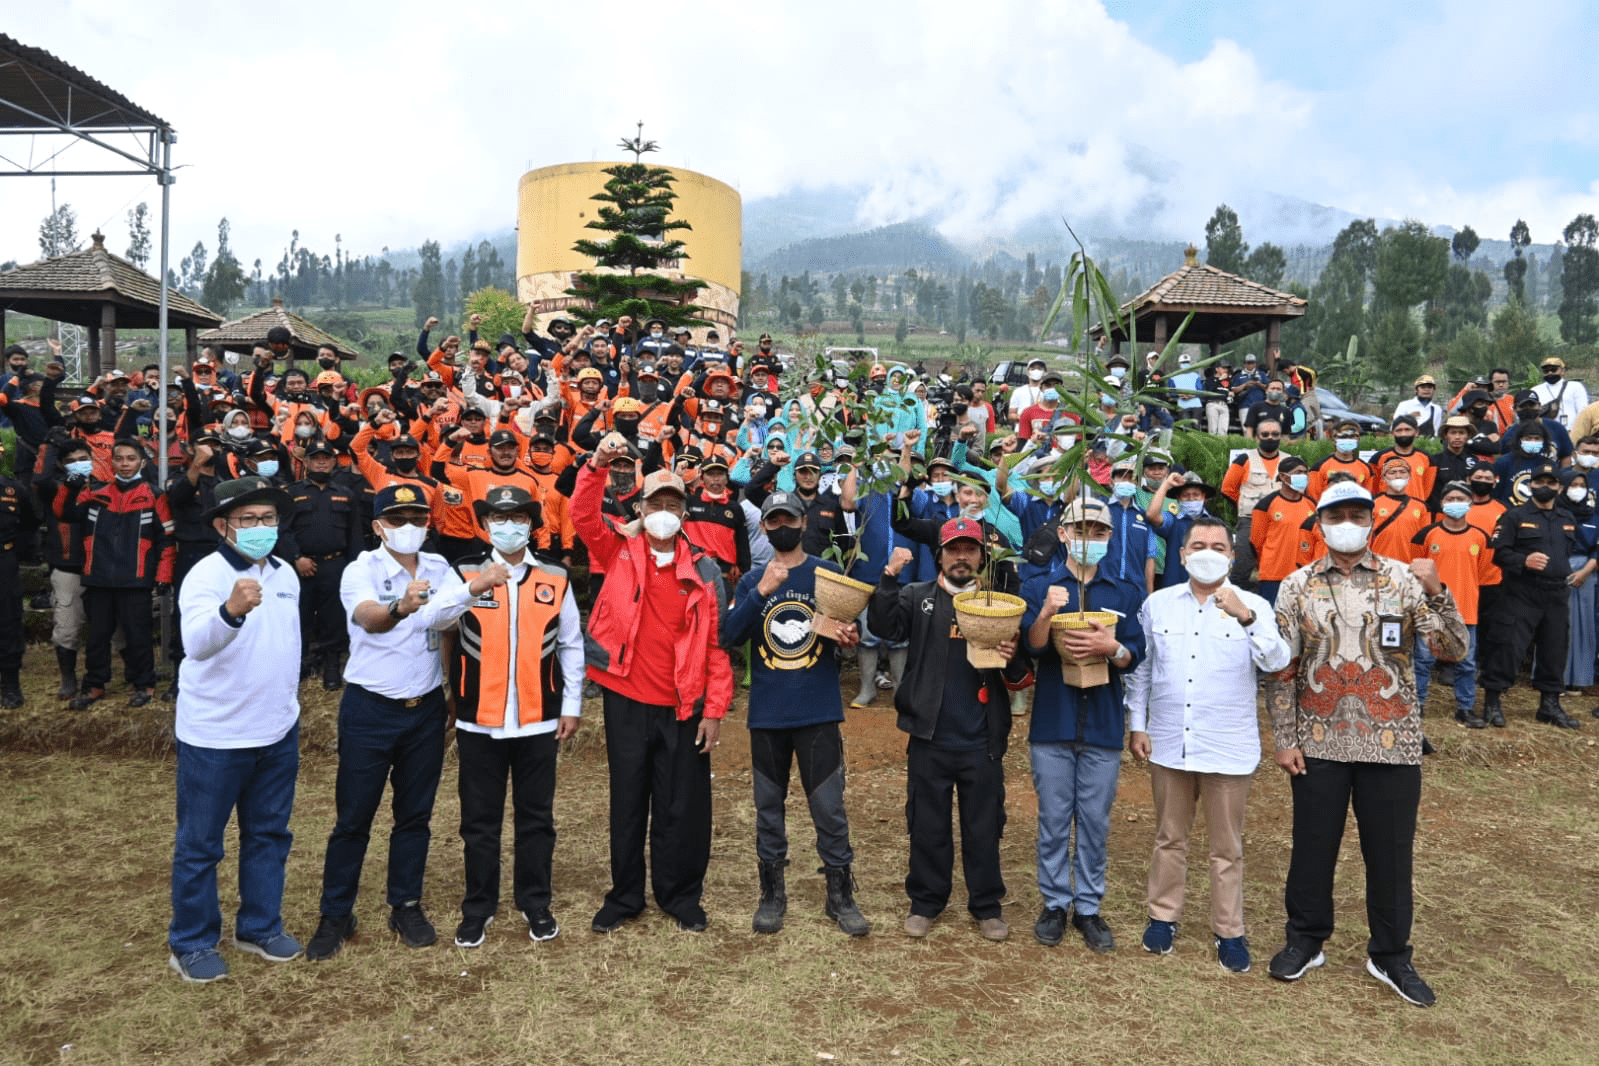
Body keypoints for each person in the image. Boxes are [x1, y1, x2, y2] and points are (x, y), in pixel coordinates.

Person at [1264, 481, 1467, 1006]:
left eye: (1358, 512)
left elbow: (1452, 651)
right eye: (1337, 514)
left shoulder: (1405, 579)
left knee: (1392, 855)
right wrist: (1285, 739)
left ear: (1372, 520)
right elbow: (1282, 669)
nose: (1347, 522)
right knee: (1312, 849)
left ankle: (1391, 954)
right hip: (1319, 741)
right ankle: (1305, 941)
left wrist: (1439, 592)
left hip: (1393, 742)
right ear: (1321, 522)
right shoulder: (1296, 586)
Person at [305, 485, 510, 961]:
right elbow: (369, 619)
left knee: (414, 817)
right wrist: (401, 605)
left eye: (417, 517)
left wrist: (452, 693)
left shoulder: (440, 568)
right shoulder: (362, 569)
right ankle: (336, 913)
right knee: (353, 819)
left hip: (424, 711)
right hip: (370, 710)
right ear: (378, 526)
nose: (409, 527)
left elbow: (446, 630)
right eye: (397, 519)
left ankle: (406, 904)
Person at [575, 437, 733, 934]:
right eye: (655, 504)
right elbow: (582, 516)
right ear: (640, 508)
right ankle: (624, 896)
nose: (664, 512)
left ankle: (680, 895)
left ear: (684, 512)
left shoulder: (705, 569)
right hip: (626, 696)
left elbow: (716, 645)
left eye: (673, 505)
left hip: (683, 703)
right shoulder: (616, 548)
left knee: (680, 805)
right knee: (627, 799)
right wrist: (597, 464)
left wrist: (715, 710)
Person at [1125, 516, 1290, 972]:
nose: (1208, 551)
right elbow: (1142, 671)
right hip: (1169, 741)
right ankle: (1163, 916)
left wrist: (1245, 616)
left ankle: (1228, 929)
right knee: (1169, 836)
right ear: (1182, 554)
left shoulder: (1254, 604)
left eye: (1219, 546)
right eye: (1198, 544)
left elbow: (1278, 660)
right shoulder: (1157, 604)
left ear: (1232, 556)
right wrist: (1138, 724)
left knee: (1226, 846)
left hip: (1228, 745)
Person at [167, 476, 303, 983]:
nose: (261, 527)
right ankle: (192, 941)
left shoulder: (285, 572)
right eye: (249, 520)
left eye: (268, 518)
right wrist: (231, 611)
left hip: (275, 730)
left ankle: (260, 926)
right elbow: (197, 644)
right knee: (201, 843)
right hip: (216, 737)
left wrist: (288, 706)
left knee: (269, 834)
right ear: (223, 526)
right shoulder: (204, 575)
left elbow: (287, 646)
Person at [868, 523, 1032, 941]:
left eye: (970, 550)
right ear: (939, 555)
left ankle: (986, 905)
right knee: (927, 824)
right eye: (953, 549)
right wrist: (889, 578)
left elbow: (1020, 675)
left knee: (984, 825)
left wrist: (1012, 656)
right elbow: (885, 627)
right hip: (930, 736)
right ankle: (925, 901)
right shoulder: (918, 597)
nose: (962, 557)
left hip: (981, 738)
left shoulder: (999, 605)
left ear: (982, 558)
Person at [722, 491, 870, 937]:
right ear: (764, 527)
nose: (781, 525)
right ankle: (772, 892)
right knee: (769, 808)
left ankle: (840, 894)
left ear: (803, 522)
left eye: (789, 518)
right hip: (768, 714)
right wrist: (761, 592)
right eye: (773, 520)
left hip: (818, 710)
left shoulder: (825, 573)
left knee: (829, 808)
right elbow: (728, 634)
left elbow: (845, 629)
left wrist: (847, 636)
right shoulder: (752, 579)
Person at [445, 486, 583, 947]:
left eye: (519, 517)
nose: (509, 525)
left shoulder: (555, 577)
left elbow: (571, 644)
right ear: (485, 525)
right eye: (499, 518)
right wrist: (471, 588)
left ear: (532, 524)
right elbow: (436, 619)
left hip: (539, 718)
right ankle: (478, 907)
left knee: (536, 817)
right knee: (479, 821)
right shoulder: (463, 570)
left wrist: (572, 705)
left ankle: (535, 902)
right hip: (478, 719)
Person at [1019, 499, 1145, 952]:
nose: (1090, 537)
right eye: (1081, 528)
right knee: (1054, 818)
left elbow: (1136, 655)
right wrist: (1048, 612)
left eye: (1099, 530)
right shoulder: (1041, 584)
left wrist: (1112, 648)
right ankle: (1055, 901)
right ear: (1065, 533)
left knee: (1094, 820)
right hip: (1053, 720)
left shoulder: (1126, 591)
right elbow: (1033, 649)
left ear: (1109, 538)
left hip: (1104, 724)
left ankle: (1088, 906)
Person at [64, 438, 175, 709]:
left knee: (138, 637)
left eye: (131, 459)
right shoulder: (95, 492)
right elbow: (65, 514)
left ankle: (144, 684)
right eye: (120, 458)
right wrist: (70, 488)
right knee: (97, 637)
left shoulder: (155, 494)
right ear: (111, 461)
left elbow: (167, 540)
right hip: (98, 577)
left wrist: (164, 575)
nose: (125, 464)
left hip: (135, 579)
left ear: (142, 462)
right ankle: (94, 686)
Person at [1480, 463, 1583, 729]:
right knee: (1508, 647)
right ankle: (1492, 703)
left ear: (1559, 487)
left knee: (1555, 648)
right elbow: (1499, 553)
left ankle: (1549, 705)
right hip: (1521, 592)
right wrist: (1524, 560)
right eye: (1539, 482)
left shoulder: (1567, 518)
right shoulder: (1513, 517)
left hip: (1557, 593)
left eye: (1551, 483)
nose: (1545, 487)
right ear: (1531, 486)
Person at [278, 438, 363, 690]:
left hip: (335, 565)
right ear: (306, 462)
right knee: (298, 617)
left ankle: (331, 666)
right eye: (316, 458)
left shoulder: (345, 494)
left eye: (326, 458)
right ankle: (299, 665)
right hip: (300, 566)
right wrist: (296, 558)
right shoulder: (291, 493)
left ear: (334, 462)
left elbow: (354, 536)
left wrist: (353, 568)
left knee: (333, 618)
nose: (322, 462)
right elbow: (283, 531)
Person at [1410, 482, 1498, 728]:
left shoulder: (1481, 537)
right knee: (1423, 660)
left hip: (1466, 610)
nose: (1455, 502)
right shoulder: (1426, 535)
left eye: (1460, 498)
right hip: (1431, 611)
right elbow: (1414, 571)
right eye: (1450, 498)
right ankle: (1417, 707)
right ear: (1442, 503)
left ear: (1469, 503)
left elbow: (1484, 574)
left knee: (1467, 663)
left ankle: (1465, 709)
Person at [1220, 417, 1284, 587]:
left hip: (1280, 523)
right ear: (1257, 437)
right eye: (1265, 434)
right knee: (1241, 569)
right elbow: (1228, 489)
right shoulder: (1244, 459)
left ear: (1281, 437)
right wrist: (1246, 505)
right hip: (1249, 521)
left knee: (1278, 569)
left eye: (1275, 434)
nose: (1270, 437)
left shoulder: (1289, 461)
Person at [1249, 456, 1318, 605]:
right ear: (1283, 476)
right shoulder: (1265, 505)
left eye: (1306, 472)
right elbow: (1256, 542)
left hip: (1303, 576)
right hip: (1273, 576)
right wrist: (1271, 563)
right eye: (1299, 472)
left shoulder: (1311, 505)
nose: (1304, 476)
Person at [1531, 356, 1589, 430]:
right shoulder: (1536, 390)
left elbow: (1582, 411)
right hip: (1546, 432)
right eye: (1546, 371)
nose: (1550, 373)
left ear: (1563, 371)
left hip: (1571, 431)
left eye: (1553, 370)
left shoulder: (1575, 386)